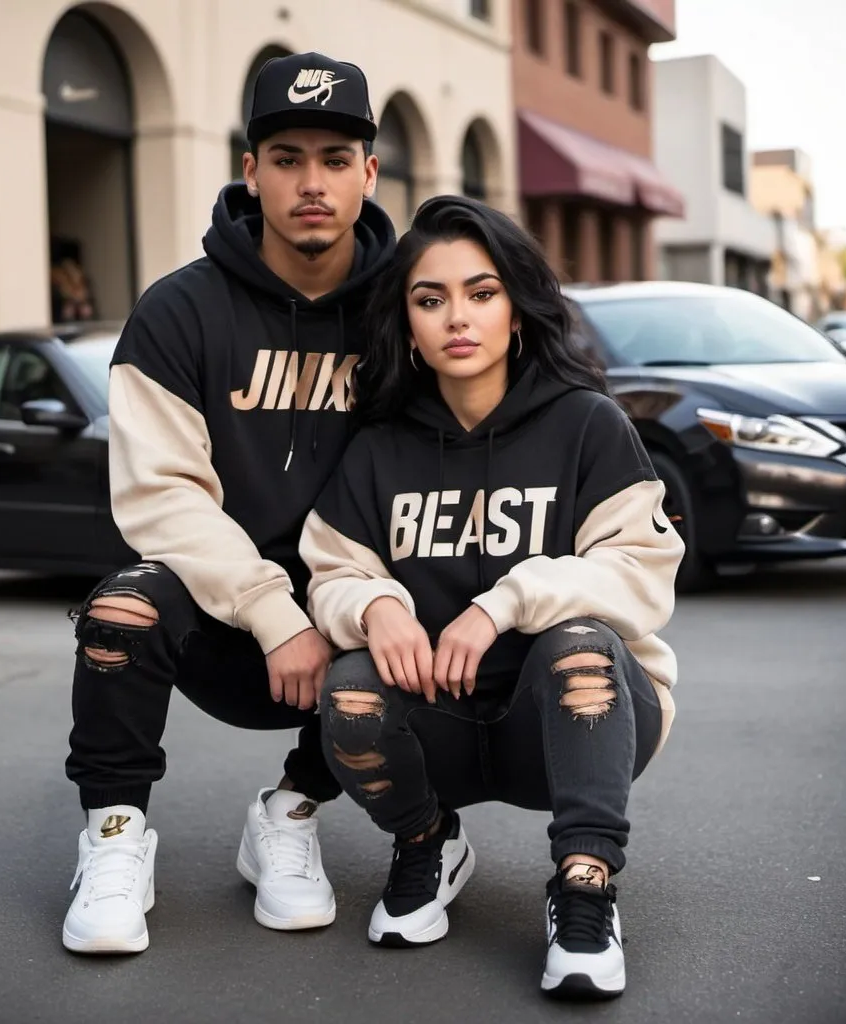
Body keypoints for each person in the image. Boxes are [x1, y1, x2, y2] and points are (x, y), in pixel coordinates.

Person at [299, 195, 684, 999]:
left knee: (577, 646)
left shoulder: (589, 427)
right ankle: (425, 838)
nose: (457, 318)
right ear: (408, 326)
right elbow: (330, 571)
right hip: (438, 720)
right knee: (350, 691)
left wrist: (502, 603)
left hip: (574, 722)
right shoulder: (379, 450)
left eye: (481, 293)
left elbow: (640, 574)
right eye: (430, 300)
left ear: (516, 309)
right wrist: (377, 605)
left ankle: (584, 890)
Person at [61, 51, 395, 954]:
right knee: (124, 607)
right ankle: (115, 837)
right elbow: (160, 497)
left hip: (351, 605)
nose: (311, 182)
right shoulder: (177, 313)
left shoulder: (407, 313)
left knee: (418, 604)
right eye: (286, 157)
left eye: (335, 158)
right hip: (224, 609)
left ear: (370, 171)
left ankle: (288, 814)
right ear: (250, 172)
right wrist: (268, 609)